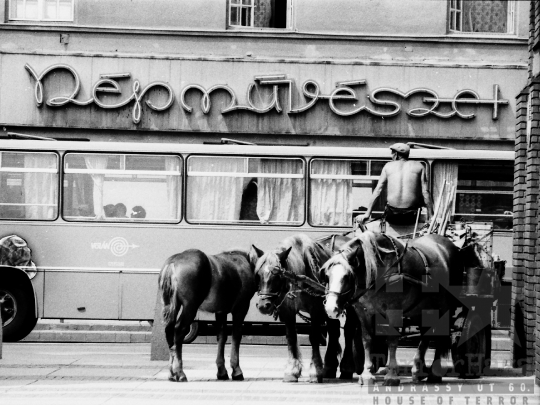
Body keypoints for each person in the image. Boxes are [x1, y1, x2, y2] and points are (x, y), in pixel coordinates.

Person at [358, 143, 433, 227]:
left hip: (392, 215)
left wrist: (367, 214)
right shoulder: (419, 166)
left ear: (396, 154)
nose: (391, 155)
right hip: (411, 216)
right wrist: (430, 216)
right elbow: (425, 192)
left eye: (392, 153)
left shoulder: (388, 166)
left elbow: (378, 191)